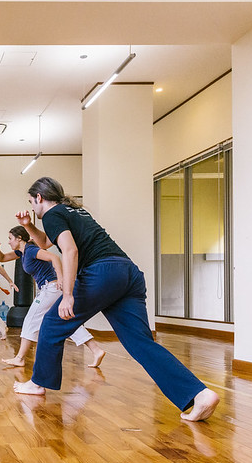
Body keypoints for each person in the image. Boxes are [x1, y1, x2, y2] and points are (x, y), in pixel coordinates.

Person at [13, 177, 219, 422]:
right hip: (128, 272)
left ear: (39, 197)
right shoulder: (74, 211)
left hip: (102, 272)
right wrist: (28, 226)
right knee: (140, 342)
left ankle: (38, 383)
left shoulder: (52, 214)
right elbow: (47, 242)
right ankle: (199, 394)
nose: (32, 208)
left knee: (51, 323)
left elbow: (70, 250)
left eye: (31, 202)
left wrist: (67, 294)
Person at [0, 225, 106, 368]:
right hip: (49, 289)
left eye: (10, 238)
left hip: (51, 289)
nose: (8, 242)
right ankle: (96, 350)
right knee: (65, 320)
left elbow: (54, 257)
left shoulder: (31, 250)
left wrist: (61, 279)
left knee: (30, 320)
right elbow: (2, 258)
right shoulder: (22, 252)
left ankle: (20, 358)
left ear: (19, 239)